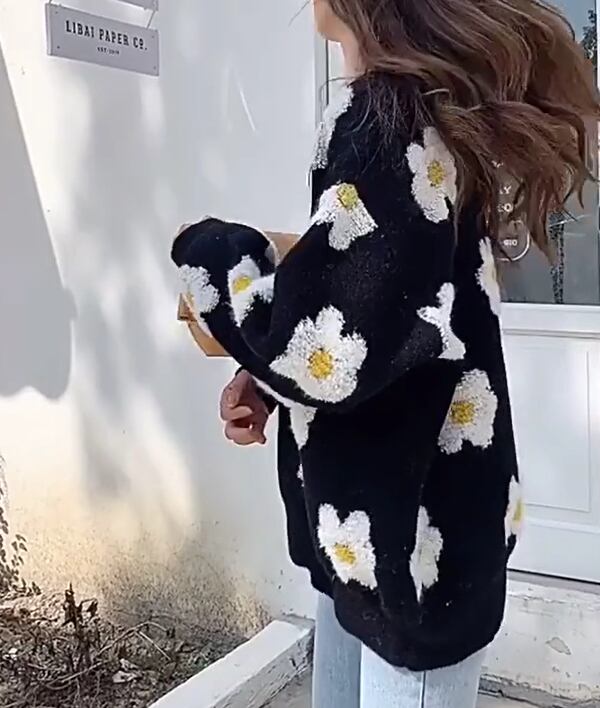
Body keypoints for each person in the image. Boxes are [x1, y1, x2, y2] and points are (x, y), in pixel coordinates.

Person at [171, 1, 599, 706]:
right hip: (382, 542)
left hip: (412, 551)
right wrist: (270, 380)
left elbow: (326, 348)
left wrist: (208, 250)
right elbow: (382, 315)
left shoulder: (386, 124)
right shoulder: (413, 117)